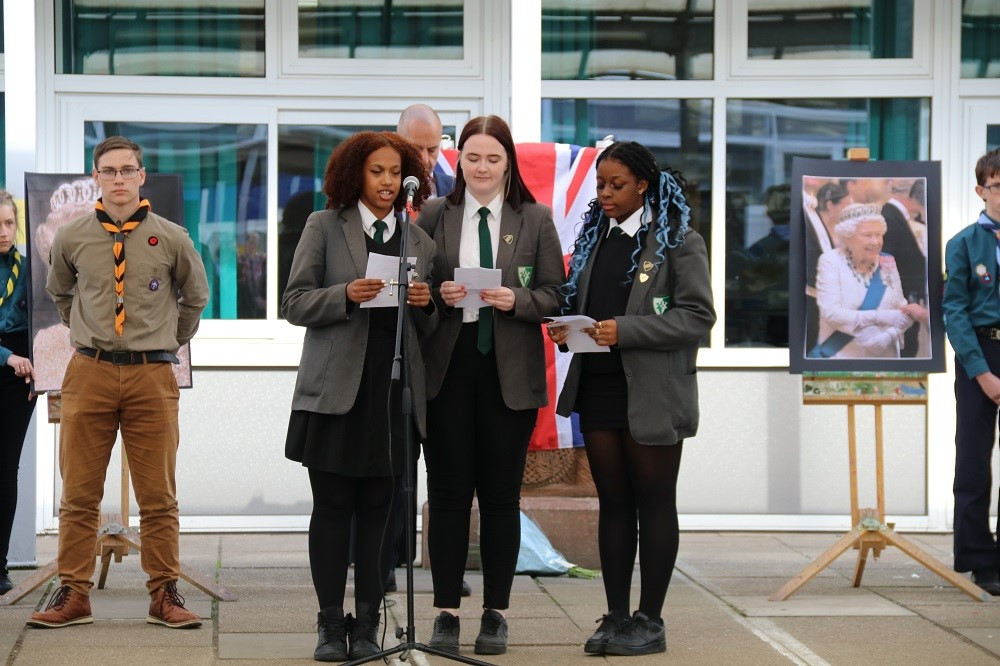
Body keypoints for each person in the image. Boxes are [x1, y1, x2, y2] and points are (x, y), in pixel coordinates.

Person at [28, 136, 209, 629]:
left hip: (153, 374)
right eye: (109, 171)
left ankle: (163, 592)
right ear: (96, 177)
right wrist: (91, 334)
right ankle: (73, 592)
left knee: (159, 495)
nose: (119, 179)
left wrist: (167, 339)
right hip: (90, 371)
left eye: (128, 170)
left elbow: (196, 297)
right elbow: (59, 293)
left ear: (142, 175)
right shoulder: (74, 238)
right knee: (79, 493)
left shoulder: (172, 237)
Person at [547, 141, 716, 656]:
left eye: (615, 185)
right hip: (599, 387)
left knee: (654, 502)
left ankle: (652, 619)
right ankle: (617, 617)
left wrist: (625, 331)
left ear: (642, 184)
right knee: (614, 504)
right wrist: (566, 327)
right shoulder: (597, 240)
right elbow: (587, 309)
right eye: (600, 185)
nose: (604, 194)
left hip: (653, 394)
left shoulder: (679, 242)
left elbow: (697, 318)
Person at [281, 130, 437, 662]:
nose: (388, 182)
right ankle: (330, 624)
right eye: (378, 172)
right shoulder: (324, 226)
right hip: (335, 390)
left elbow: (430, 330)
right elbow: (295, 301)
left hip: (393, 392)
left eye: (395, 172)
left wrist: (425, 304)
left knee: (379, 511)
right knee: (332, 508)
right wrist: (344, 295)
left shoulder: (419, 241)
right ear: (356, 176)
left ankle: (368, 623)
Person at [416, 115, 565, 656]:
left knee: (502, 498)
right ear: (459, 162)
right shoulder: (436, 212)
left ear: (508, 163)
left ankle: (496, 613)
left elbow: (555, 293)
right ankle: (447, 613)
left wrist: (516, 301)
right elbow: (416, 288)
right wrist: (439, 293)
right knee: (450, 495)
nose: (481, 168)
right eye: (473, 158)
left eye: (493, 158)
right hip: (449, 371)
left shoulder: (535, 218)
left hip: (508, 375)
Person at [942, 147, 1000, 596]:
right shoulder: (963, 243)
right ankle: (980, 558)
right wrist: (982, 373)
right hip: (982, 355)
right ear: (981, 190)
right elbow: (955, 312)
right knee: (974, 460)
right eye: (997, 185)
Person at [810, 203, 914, 359]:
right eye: (868, 235)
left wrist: (890, 335)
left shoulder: (887, 262)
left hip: (885, 361)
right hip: (842, 360)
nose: (876, 242)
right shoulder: (831, 262)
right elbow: (830, 313)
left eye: (879, 235)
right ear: (848, 237)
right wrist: (880, 317)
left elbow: (902, 308)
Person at [0, 190, 37, 596]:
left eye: (10, 223)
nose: (4, 231)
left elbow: (43, 321)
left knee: (6, 469)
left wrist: (37, 367)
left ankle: (0, 566)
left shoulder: (28, 269)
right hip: (9, 362)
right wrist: (8, 356)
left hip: (18, 379)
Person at [398, 103, 454, 198]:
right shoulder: (384, 189)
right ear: (398, 142)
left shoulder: (455, 190)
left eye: (432, 150)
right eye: (416, 149)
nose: (425, 159)